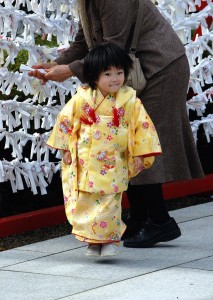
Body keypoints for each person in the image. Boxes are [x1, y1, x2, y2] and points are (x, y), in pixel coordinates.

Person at [29, 0, 204, 248]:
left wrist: (68, 70)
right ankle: (140, 218)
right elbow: (85, 40)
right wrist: (57, 65)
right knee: (121, 141)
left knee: (140, 141)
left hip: (160, 69)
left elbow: (113, 47)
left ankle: (160, 221)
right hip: (134, 70)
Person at [46, 42, 162, 257]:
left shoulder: (130, 100)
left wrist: (139, 153)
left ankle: (109, 241)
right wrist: (66, 150)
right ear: (93, 76)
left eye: (119, 72)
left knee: (110, 201)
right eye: (108, 74)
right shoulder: (82, 98)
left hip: (114, 161)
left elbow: (142, 127)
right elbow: (65, 121)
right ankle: (92, 241)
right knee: (87, 202)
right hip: (86, 160)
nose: (115, 78)